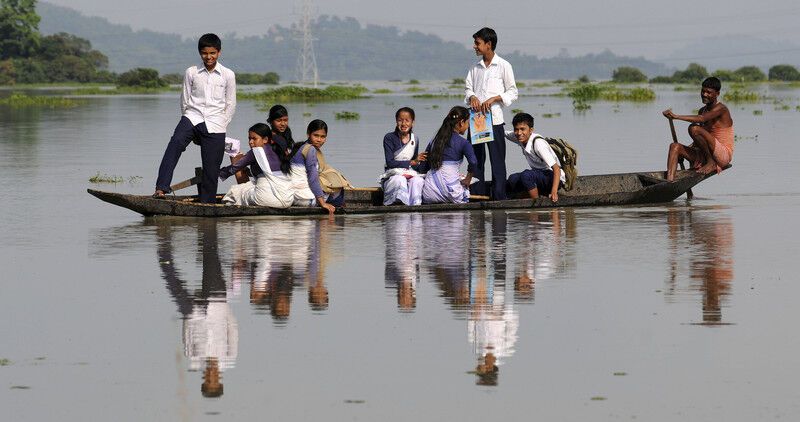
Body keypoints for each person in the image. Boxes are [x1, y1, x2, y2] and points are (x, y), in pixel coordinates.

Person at [154, 33, 236, 203]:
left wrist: (221, 123)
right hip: (192, 117)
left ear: (219, 53)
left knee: (211, 168)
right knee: (174, 145)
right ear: (200, 53)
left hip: (216, 123)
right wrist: (188, 120)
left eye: (212, 53)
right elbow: (184, 100)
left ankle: (207, 203)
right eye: (205, 53)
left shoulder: (228, 75)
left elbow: (230, 104)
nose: (209, 57)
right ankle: (161, 188)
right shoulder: (191, 72)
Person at [465, 27, 518, 200]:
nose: (474, 46)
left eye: (477, 43)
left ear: (488, 44)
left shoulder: (504, 66)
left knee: (497, 162)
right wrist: (472, 96)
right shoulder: (475, 67)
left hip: (494, 121)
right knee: (476, 161)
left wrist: (495, 98)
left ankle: (499, 198)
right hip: (477, 121)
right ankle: (477, 195)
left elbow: (513, 92)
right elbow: (468, 89)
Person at [662, 76, 734, 181]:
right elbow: (700, 140)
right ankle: (669, 181)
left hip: (722, 155)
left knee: (694, 128)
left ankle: (711, 162)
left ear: (717, 94)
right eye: (703, 91)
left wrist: (676, 116)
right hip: (706, 153)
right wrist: (682, 152)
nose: (704, 94)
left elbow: (702, 119)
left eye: (709, 92)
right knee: (675, 147)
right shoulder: (702, 110)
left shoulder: (722, 109)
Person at [218, 123, 294, 208]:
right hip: (288, 199)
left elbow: (234, 168)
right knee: (248, 186)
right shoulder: (279, 151)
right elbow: (268, 172)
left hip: (267, 198)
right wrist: (249, 172)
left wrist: (215, 174)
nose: (250, 142)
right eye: (249, 138)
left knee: (234, 192)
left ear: (265, 139)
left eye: (254, 139)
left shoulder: (256, 151)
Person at [290, 119, 352, 215]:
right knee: (339, 191)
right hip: (305, 199)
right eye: (316, 135)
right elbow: (313, 178)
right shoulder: (310, 150)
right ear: (308, 134)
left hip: (294, 195)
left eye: (323, 137)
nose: (319, 140)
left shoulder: (302, 146)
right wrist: (323, 203)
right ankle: (335, 218)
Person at [418, 106, 478, 204]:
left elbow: (423, 166)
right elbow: (473, 162)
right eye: (468, 122)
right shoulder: (463, 143)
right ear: (461, 122)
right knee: (464, 189)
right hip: (451, 195)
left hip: (429, 193)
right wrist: (468, 179)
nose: (468, 126)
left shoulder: (433, 141)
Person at [504, 112, 565, 202]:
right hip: (539, 175)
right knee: (512, 179)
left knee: (526, 175)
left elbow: (556, 168)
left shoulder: (538, 144)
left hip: (554, 177)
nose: (519, 133)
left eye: (522, 129)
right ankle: (534, 194)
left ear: (531, 130)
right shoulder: (518, 136)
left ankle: (536, 203)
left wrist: (554, 191)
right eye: (516, 129)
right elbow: (501, 132)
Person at [379, 107, 427, 206]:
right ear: (396, 122)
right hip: (392, 176)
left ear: (412, 122)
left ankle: (415, 207)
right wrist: (412, 162)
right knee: (399, 180)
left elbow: (414, 165)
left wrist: (424, 163)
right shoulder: (389, 138)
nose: (404, 124)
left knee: (418, 181)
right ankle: (397, 203)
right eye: (400, 120)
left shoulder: (415, 139)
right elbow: (390, 162)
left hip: (409, 174)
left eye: (407, 120)